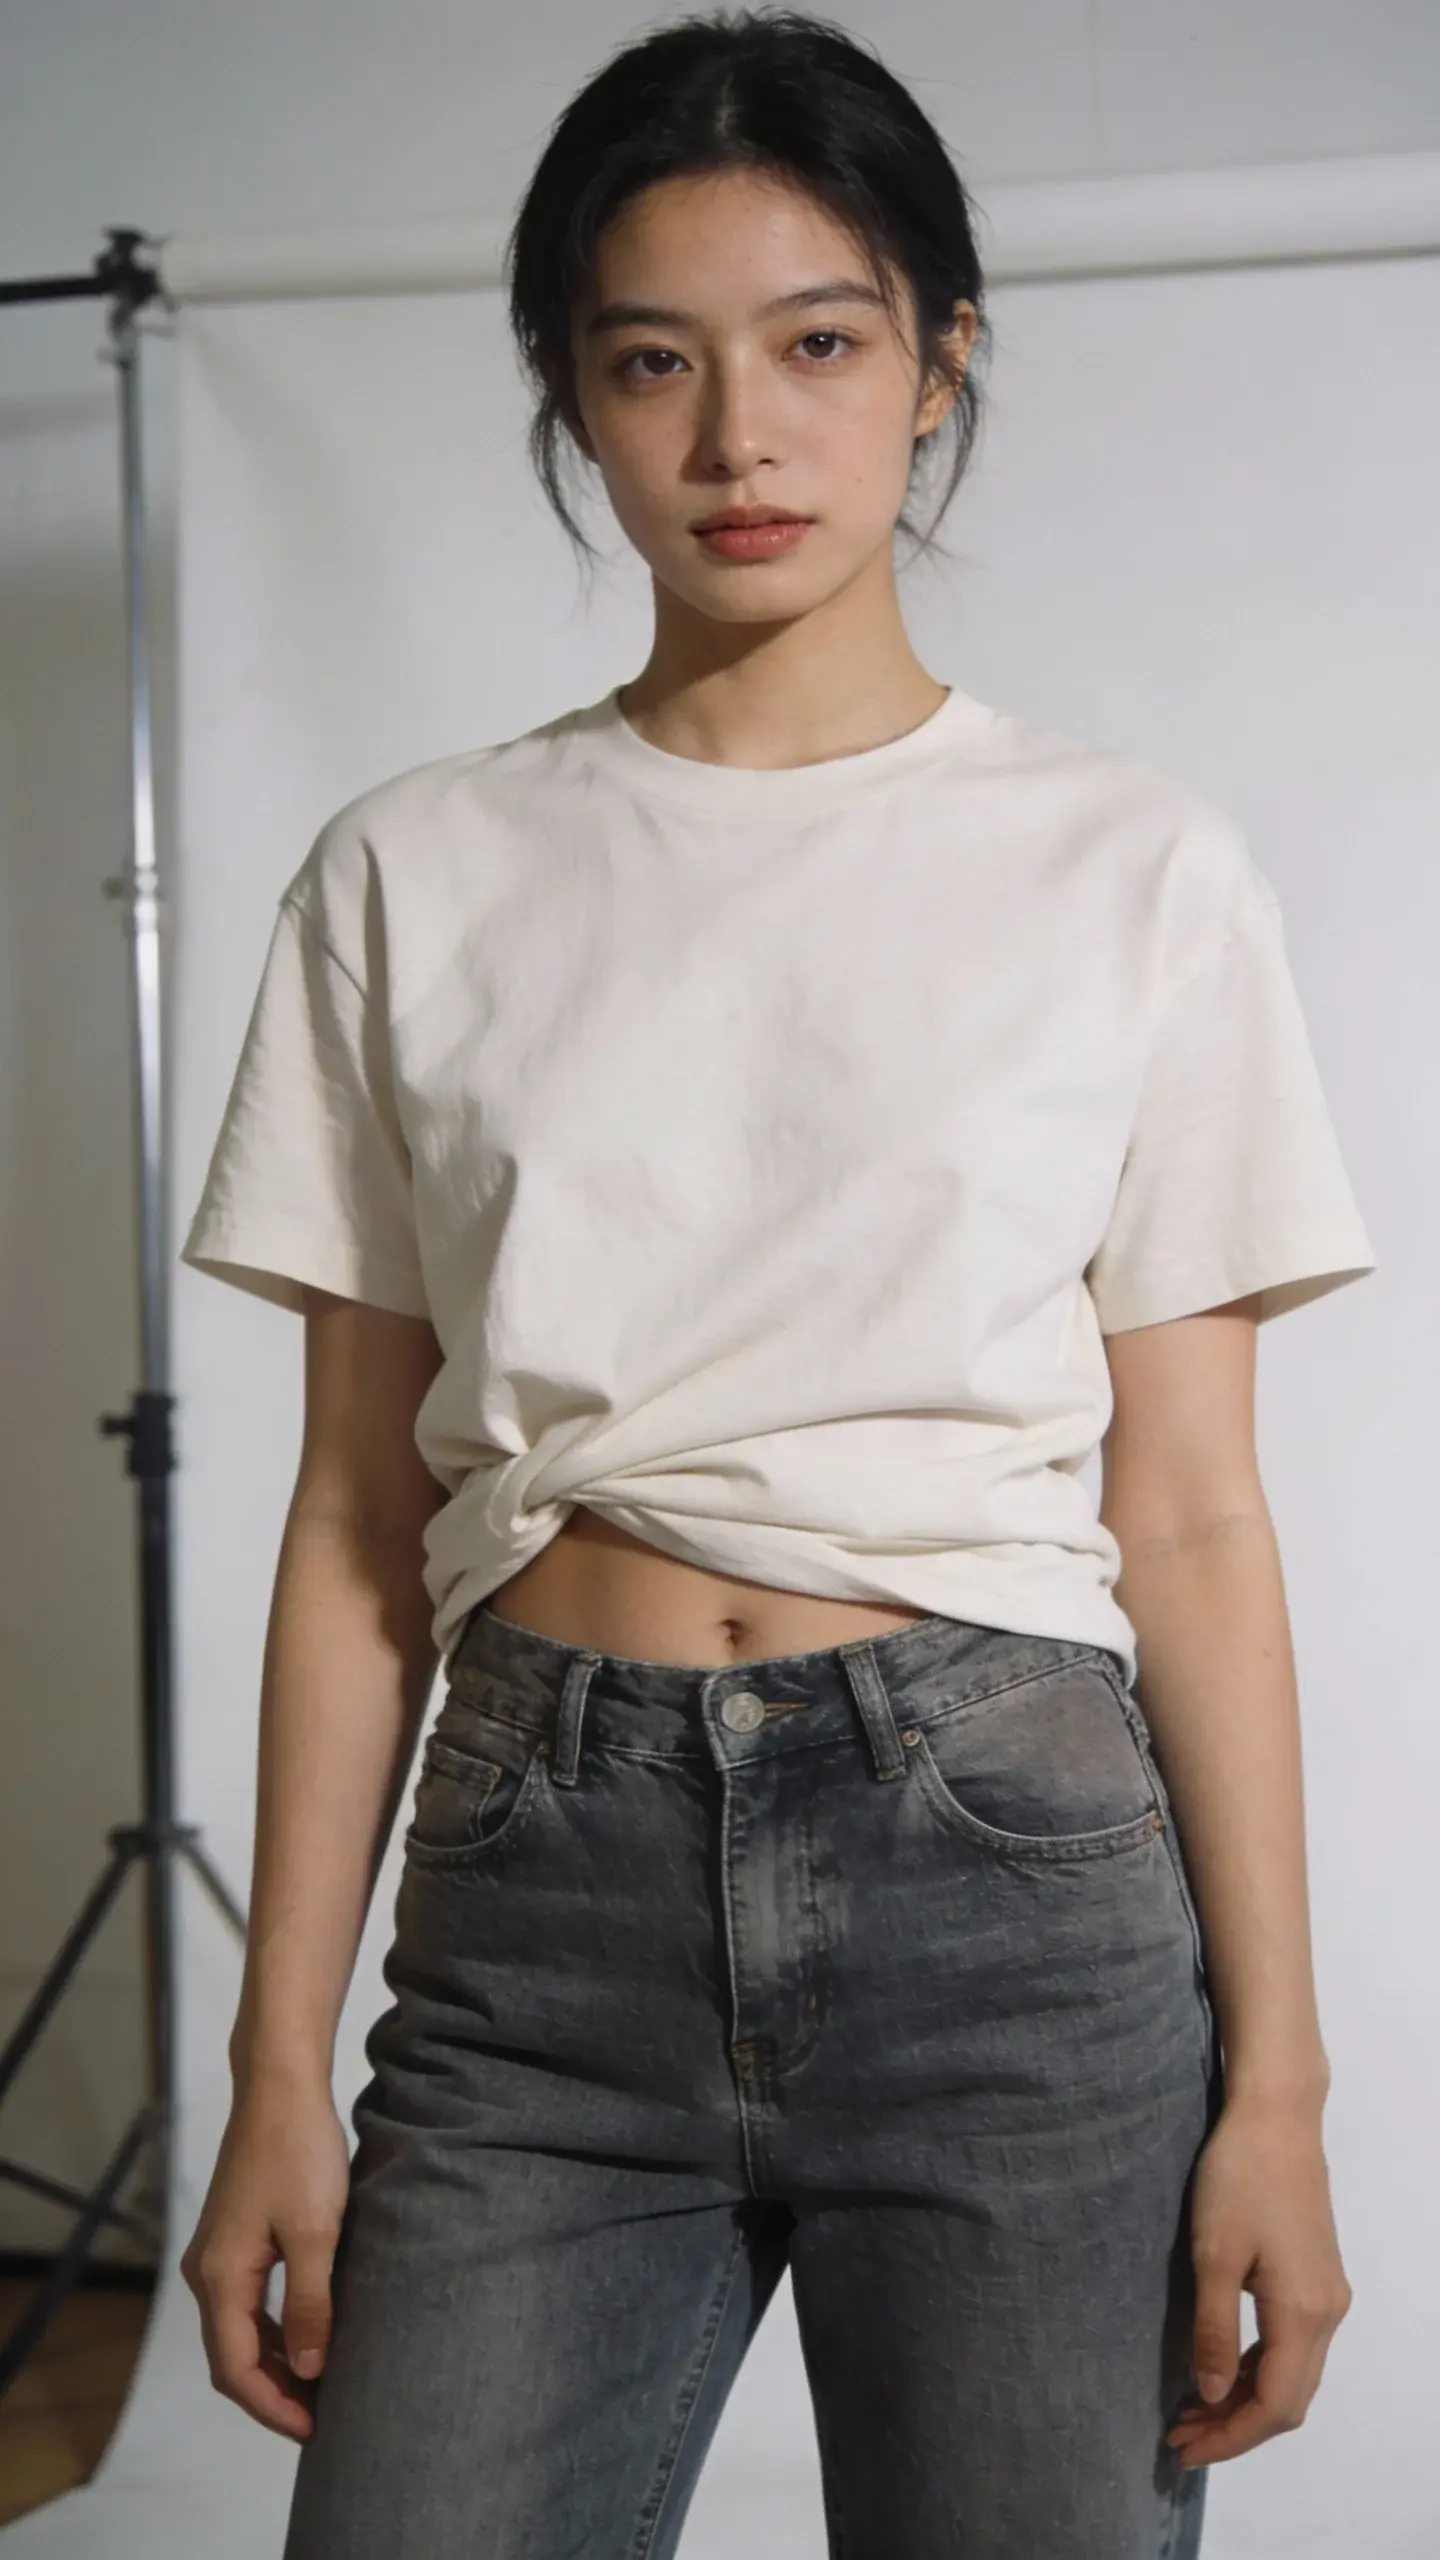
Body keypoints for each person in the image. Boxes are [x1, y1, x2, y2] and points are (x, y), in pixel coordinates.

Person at [176, 11, 1377, 2556]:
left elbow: (1193, 1514)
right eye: (654, 362)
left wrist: (1281, 2080)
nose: (742, 436)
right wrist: (274, 2065)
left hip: (1009, 1878)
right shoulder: (410, 871)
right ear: (571, 396)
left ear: (938, 366)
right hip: (540, 1889)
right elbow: (353, 1521)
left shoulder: (1134, 870)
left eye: (820, 343)